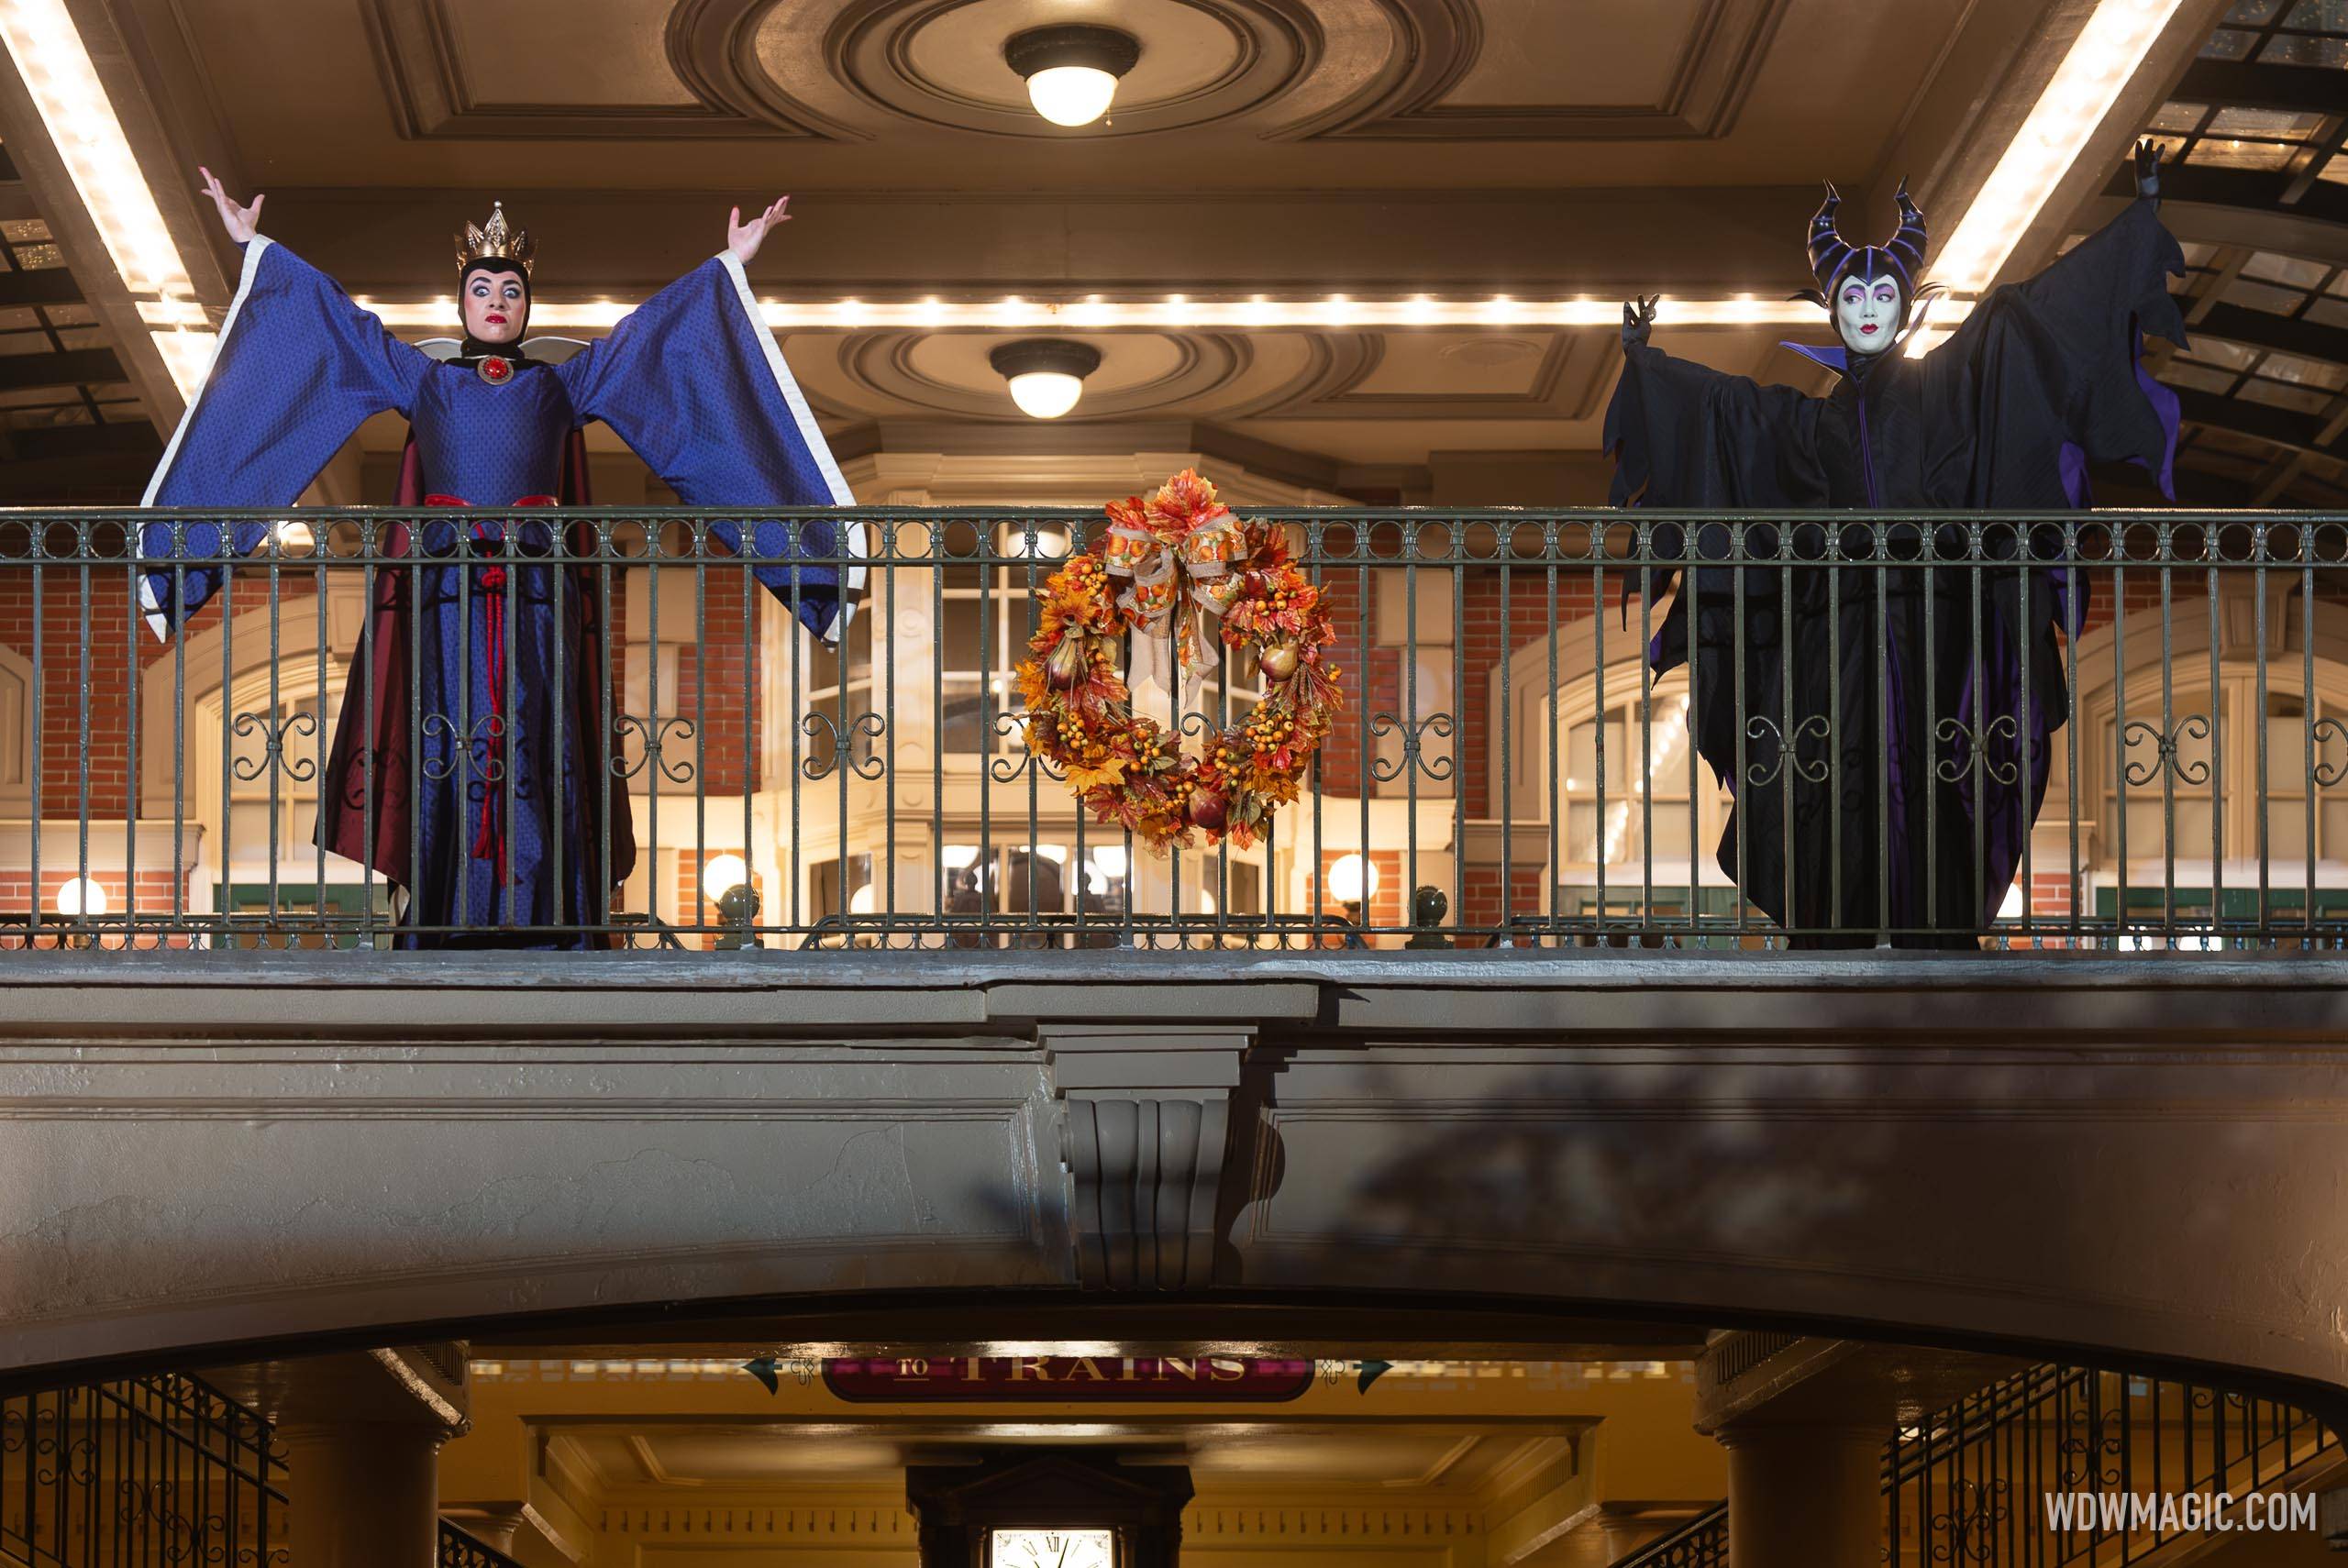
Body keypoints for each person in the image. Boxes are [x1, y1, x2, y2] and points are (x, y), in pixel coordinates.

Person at [138, 172, 862, 947]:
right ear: (460, 303)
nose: (495, 300)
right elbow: (333, 328)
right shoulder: (423, 380)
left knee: (536, 726)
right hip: (445, 593)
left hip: (539, 595)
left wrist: (730, 264)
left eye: (509, 290)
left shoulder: (562, 382)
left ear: (527, 306)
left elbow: (659, 337)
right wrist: (256, 248)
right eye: (480, 287)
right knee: (448, 739)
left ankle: (550, 909)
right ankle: (450, 913)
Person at [1607, 144, 2183, 946]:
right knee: (1834, 777)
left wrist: (2135, 222)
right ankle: (1834, 923)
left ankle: (1935, 926)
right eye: (1852, 293)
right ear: (1832, 309)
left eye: (1884, 292)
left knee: (1939, 776)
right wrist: (1645, 367)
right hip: (1834, 643)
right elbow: (1720, 411)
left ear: (1906, 304)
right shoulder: (1803, 426)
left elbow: (2037, 319)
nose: (1868, 307)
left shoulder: (1954, 389)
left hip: (1935, 632)